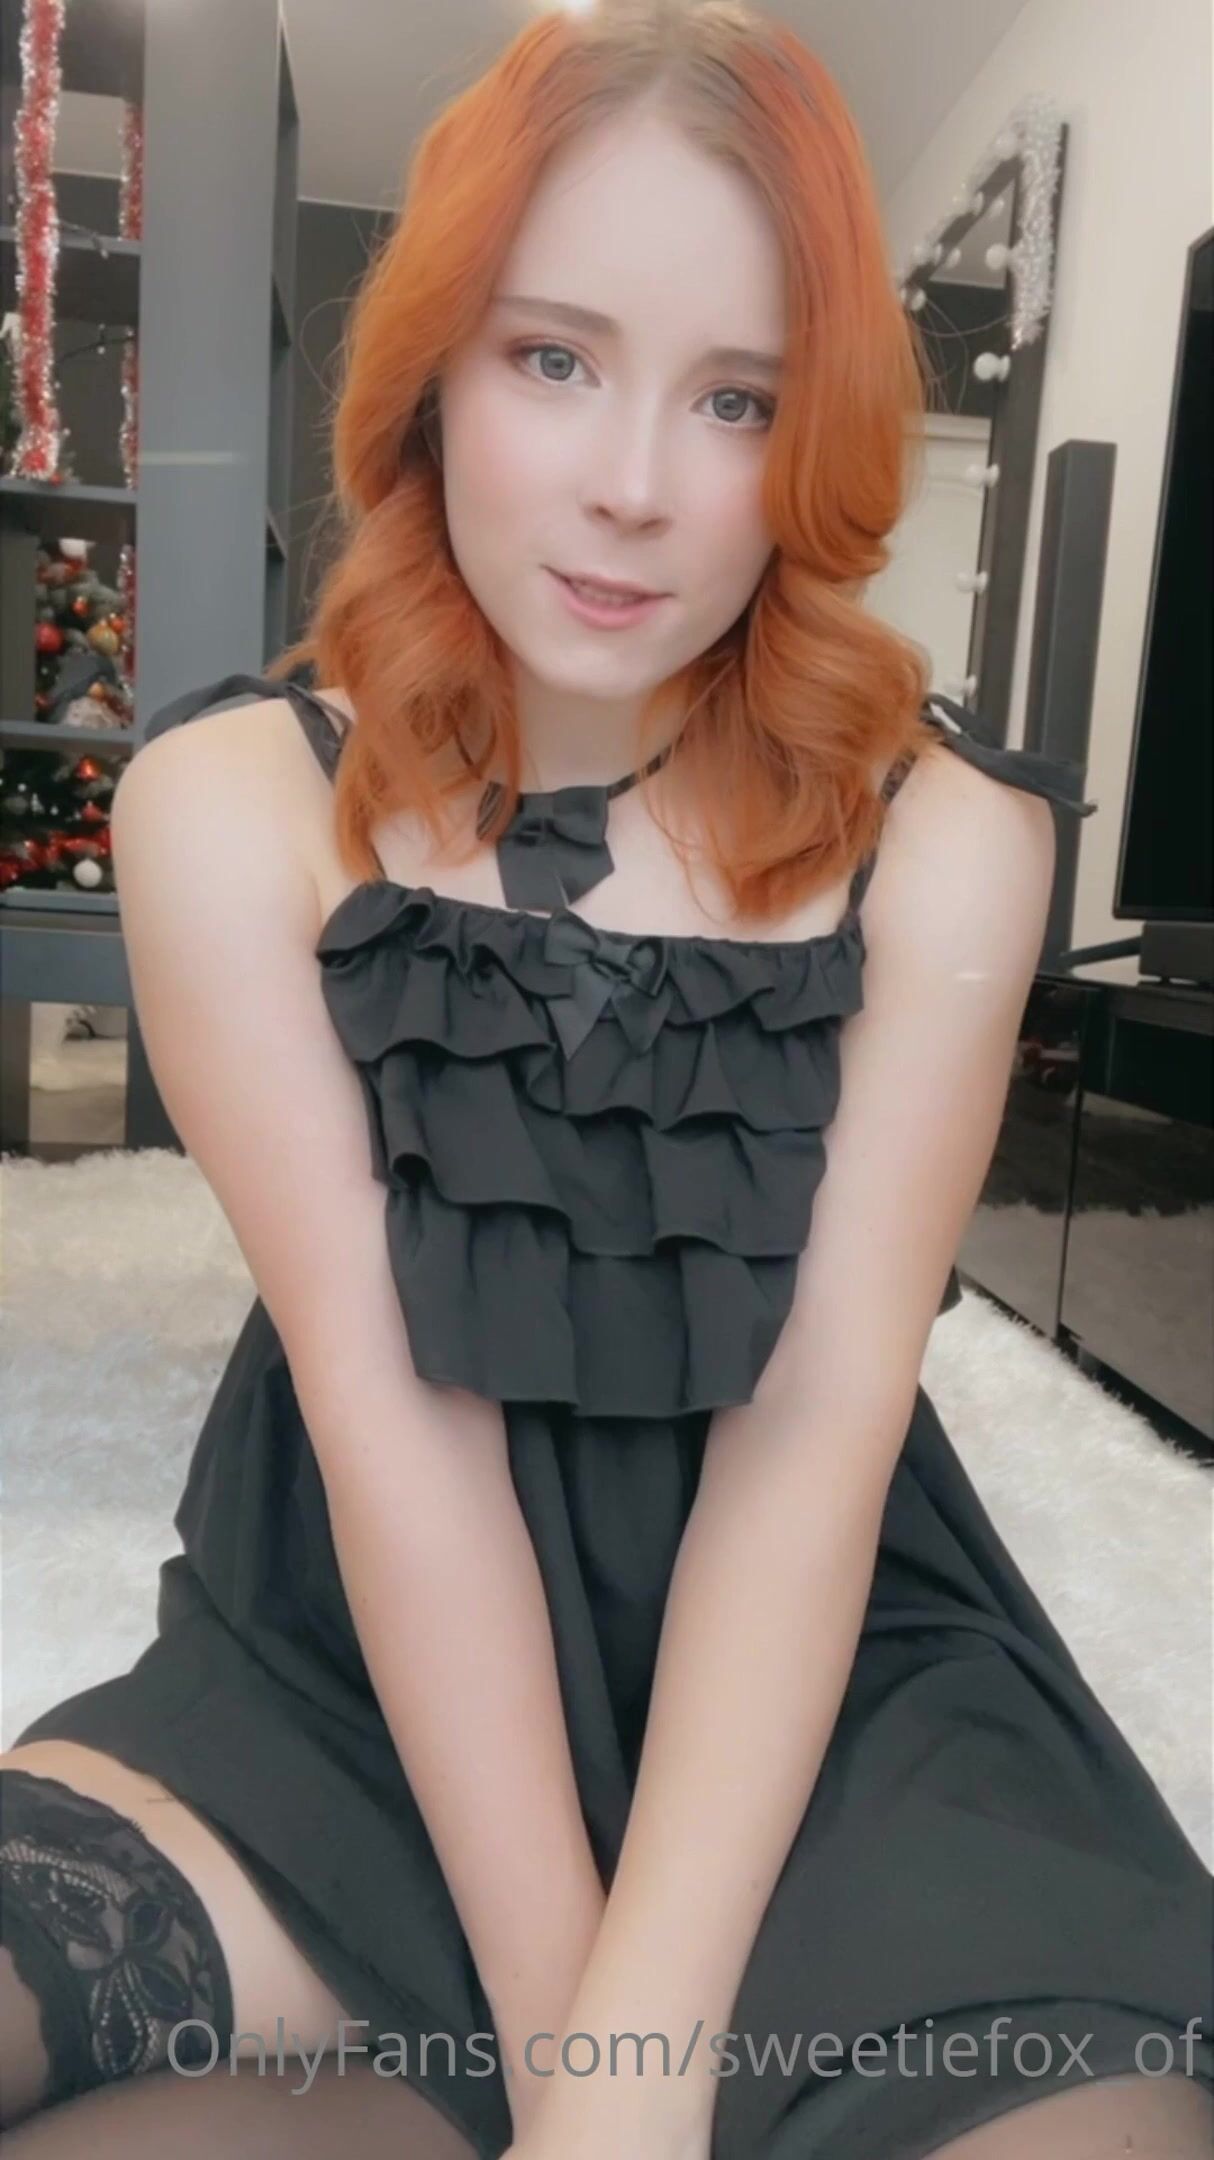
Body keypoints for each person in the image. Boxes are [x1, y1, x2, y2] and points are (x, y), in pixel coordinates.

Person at [2, 4, 1210, 2156]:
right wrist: (591, 2075)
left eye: (737, 398)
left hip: (821, 1694)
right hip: (351, 1674)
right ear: (431, 369)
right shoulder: (233, 802)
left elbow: (815, 1436)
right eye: (552, 357)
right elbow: (397, 1436)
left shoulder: (948, 843)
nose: (635, 484)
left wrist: (623, 2084)